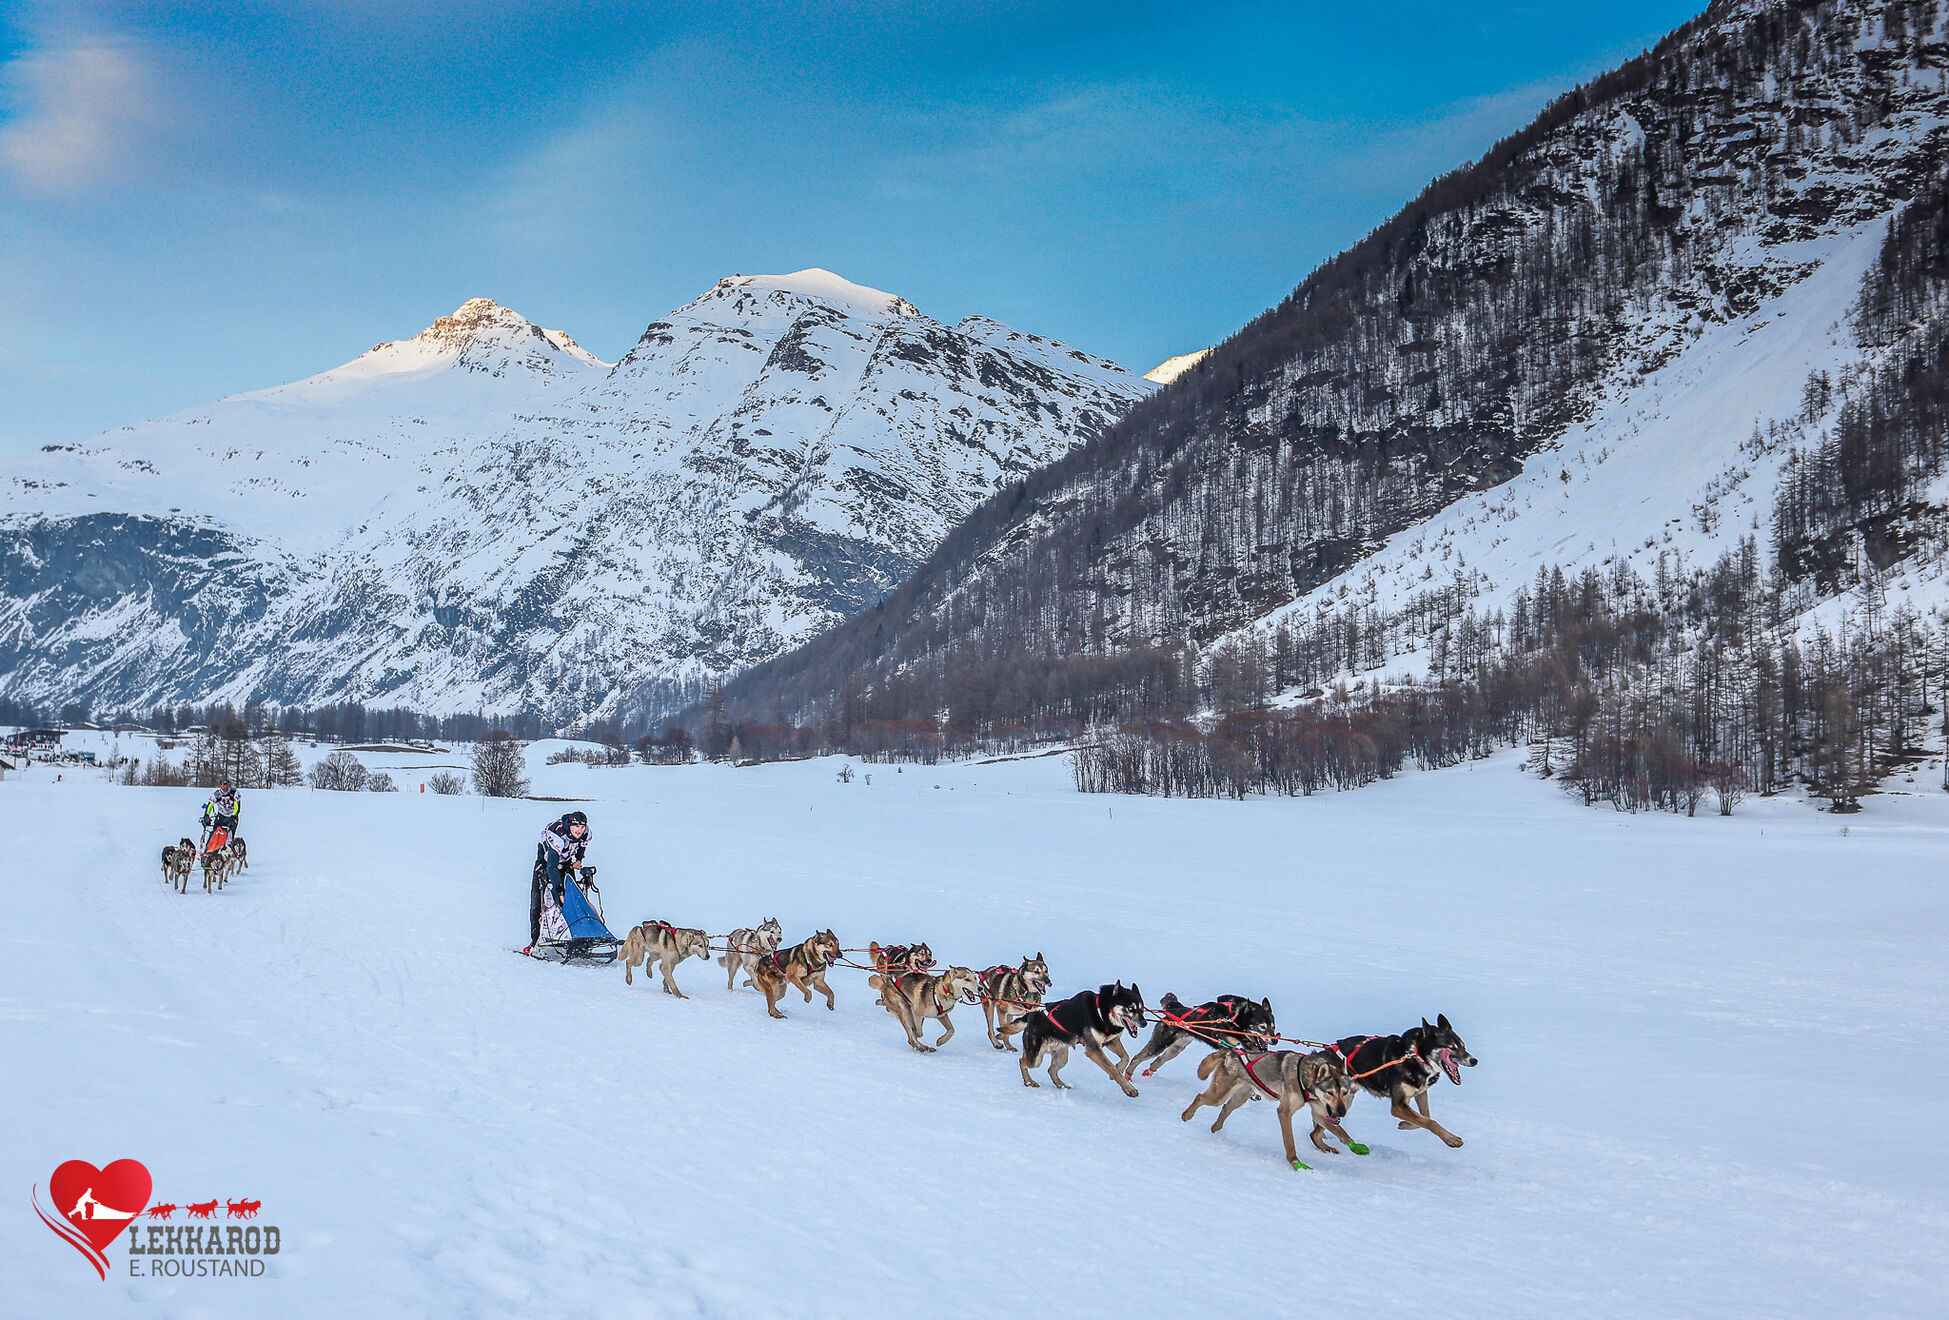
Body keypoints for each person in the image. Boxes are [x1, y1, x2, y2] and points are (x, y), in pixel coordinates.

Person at [528, 810, 590, 951]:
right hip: (546, 863)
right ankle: (534, 941)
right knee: (539, 902)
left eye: (582, 827)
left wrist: (579, 860)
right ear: (569, 826)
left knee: (573, 900)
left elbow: (582, 846)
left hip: (566, 862)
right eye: (576, 827)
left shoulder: (585, 832)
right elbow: (551, 866)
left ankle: (576, 937)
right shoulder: (557, 836)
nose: (579, 830)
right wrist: (559, 891)